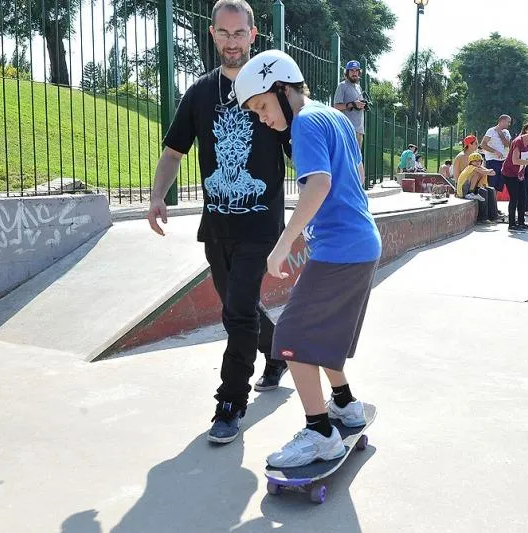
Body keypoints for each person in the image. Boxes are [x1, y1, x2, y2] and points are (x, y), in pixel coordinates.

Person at [146, 0, 290, 445]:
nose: (231, 42)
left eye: (239, 33)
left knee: (237, 313)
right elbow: (174, 152)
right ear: (212, 34)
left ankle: (230, 403)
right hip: (217, 226)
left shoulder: (274, 89)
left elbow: (301, 149)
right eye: (224, 33)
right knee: (237, 306)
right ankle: (277, 352)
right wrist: (156, 196)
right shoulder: (199, 93)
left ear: (253, 35)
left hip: (261, 226)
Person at [235, 49, 381, 468]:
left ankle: (320, 433)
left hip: (341, 249)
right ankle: (345, 404)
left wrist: (284, 242)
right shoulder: (333, 116)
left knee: (292, 338)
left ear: (282, 89)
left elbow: (319, 183)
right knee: (319, 334)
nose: (263, 118)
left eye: (262, 106)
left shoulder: (305, 122)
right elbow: (353, 174)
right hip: (358, 243)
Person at [501, 123, 528, 231]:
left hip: (519, 174)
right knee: (514, 198)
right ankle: (512, 224)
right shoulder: (518, 142)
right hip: (510, 173)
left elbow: (526, 154)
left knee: (522, 198)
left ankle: (521, 222)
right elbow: (515, 160)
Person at [333, 60, 366, 148]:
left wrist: (362, 105)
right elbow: (336, 106)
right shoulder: (342, 86)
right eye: (352, 70)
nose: (354, 73)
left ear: (359, 72)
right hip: (347, 129)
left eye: (356, 70)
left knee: (357, 156)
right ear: (347, 72)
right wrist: (352, 104)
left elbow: (357, 104)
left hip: (359, 130)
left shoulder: (358, 87)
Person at [456, 152, 497, 224]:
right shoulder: (471, 167)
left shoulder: (480, 168)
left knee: (490, 190)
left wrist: (488, 171)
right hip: (464, 190)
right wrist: (489, 171)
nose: (477, 162)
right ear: (471, 162)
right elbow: (486, 172)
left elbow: (493, 173)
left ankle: (493, 216)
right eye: (475, 161)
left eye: (479, 161)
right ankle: (482, 217)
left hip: (472, 187)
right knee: (477, 175)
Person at [480, 115, 512, 192]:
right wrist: (495, 152)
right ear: (502, 121)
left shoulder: (506, 132)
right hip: (492, 160)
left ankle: (496, 198)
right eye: (508, 122)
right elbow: (483, 144)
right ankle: (492, 199)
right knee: (492, 183)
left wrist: (500, 133)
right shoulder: (491, 131)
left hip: (503, 161)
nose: (509, 124)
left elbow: (507, 145)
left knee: (500, 184)